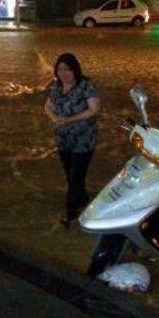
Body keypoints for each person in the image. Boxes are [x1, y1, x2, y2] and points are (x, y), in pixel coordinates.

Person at [44, 53, 101, 229]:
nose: (63, 73)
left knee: (76, 175)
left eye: (67, 69)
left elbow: (94, 109)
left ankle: (70, 212)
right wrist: (54, 118)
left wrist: (69, 119)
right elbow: (48, 106)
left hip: (83, 139)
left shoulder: (86, 86)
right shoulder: (56, 87)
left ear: (75, 69)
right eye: (60, 69)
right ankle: (82, 197)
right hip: (64, 139)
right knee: (71, 174)